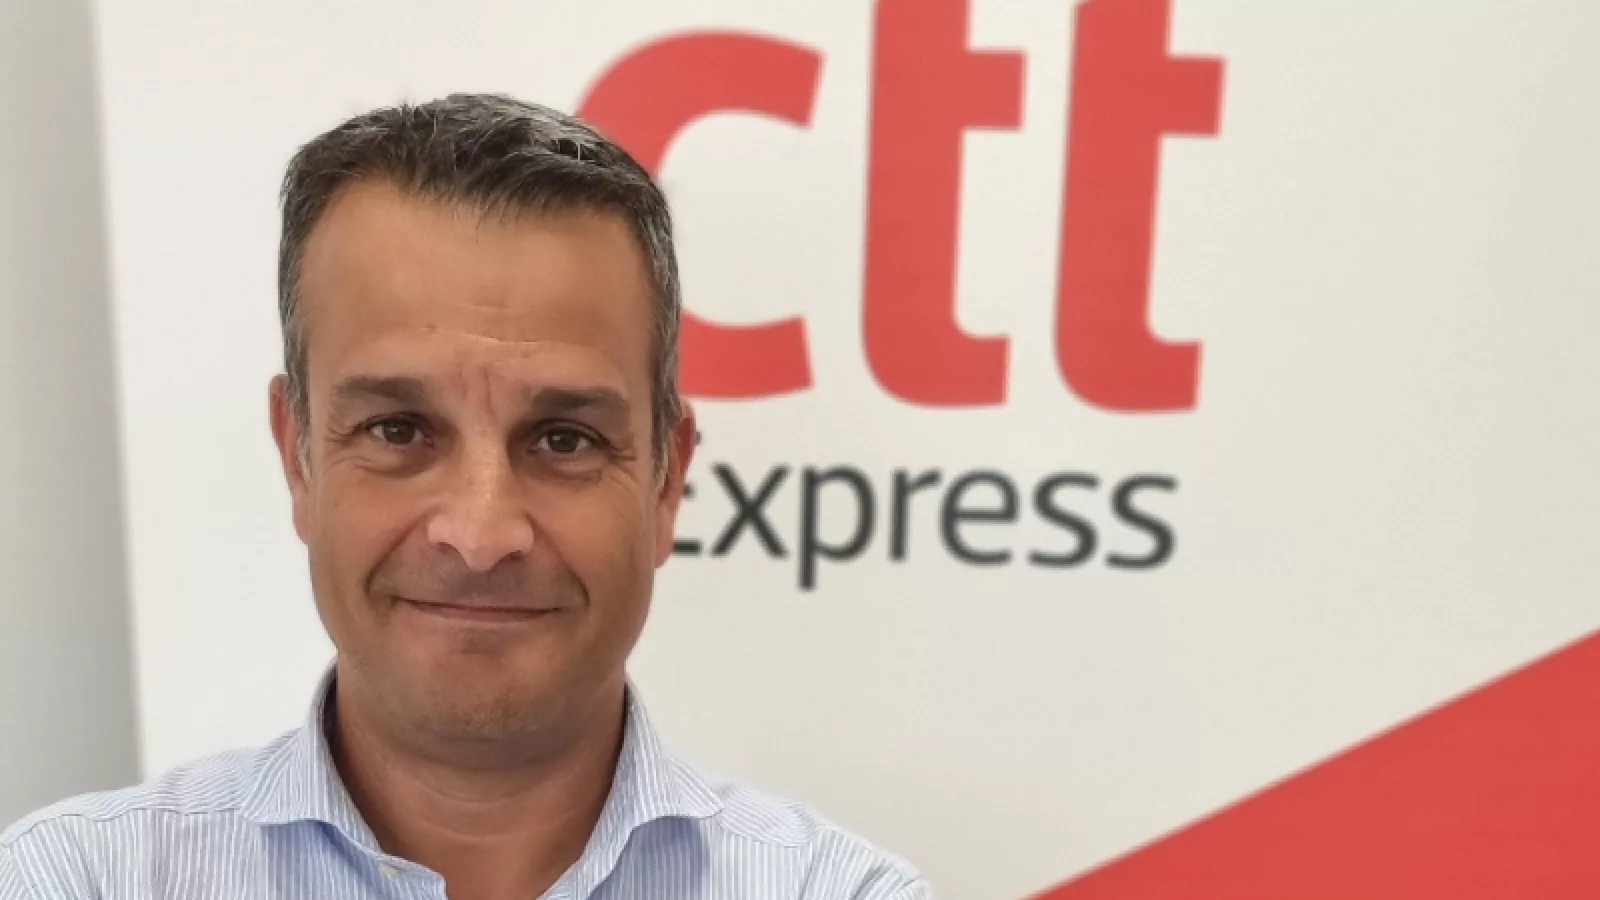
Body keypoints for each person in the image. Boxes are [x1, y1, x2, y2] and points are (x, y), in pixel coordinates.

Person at [0, 94, 927, 900]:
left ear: (666, 482)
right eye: (399, 430)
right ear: (298, 460)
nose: (482, 533)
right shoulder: (79, 880)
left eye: (563, 440)